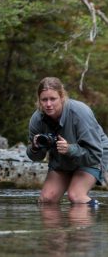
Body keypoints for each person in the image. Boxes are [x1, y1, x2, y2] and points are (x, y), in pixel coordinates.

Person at [26, 77, 108, 205]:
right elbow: (36, 157)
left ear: (62, 97)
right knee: (47, 199)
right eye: (44, 99)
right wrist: (35, 148)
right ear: (39, 100)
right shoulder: (37, 119)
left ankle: (98, 211)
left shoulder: (81, 113)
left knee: (76, 196)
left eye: (53, 99)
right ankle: (61, 225)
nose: (48, 104)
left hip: (92, 157)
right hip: (62, 161)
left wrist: (70, 149)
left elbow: (95, 154)